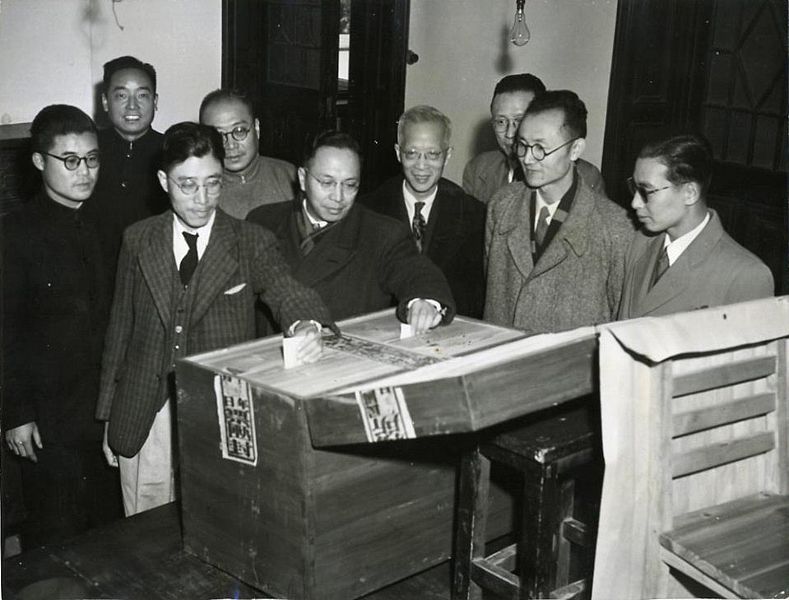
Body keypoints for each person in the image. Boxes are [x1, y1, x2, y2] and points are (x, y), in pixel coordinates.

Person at [96, 122, 331, 516]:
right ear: (163, 181)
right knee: (144, 522)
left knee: (217, 516)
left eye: (213, 183)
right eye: (187, 185)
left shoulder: (250, 241)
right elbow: (120, 330)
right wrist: (108, 414)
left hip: (218, 410)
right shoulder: (138, 238)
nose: (202, 199)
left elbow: (286, 290)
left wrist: (307, 322)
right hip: (144, 411)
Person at [2, 105, 123, 547]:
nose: (84, 171)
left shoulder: (108, 223)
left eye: (92, 158)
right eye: (70, 160)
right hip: (47, 419)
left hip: (104, 410)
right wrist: (16, 414)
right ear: (39, 161)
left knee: (111, 532)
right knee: (56, 538)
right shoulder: (14, 235)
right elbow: (4, 332)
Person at [247, 130, 456, 331]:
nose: (338, 197)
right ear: (302, 178)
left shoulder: (381, 233)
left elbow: (415, 272)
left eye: (350, 185)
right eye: (327, 183)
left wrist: (424, 300)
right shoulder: (263, 222)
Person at [484, 90, 633, 335]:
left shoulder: (615, 226)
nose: (527, 159)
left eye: (540, 148)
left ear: (575, 149)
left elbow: (621, 320)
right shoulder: (501, 205)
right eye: (523, 145)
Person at [618, 133, 774, 318]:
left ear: (690, 193)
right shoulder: (640, 243)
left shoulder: (746, 276)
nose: (635, 203)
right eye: (634, 188)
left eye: (646, 191)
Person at [361, 105, 485, 318]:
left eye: (432, 154)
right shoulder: (368, 211)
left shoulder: (474, 214)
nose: (421, 165)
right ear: (398, 153)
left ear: (447, 155)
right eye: (412, 153)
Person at [84, 56, 169, 284]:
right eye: (121, 96)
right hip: (95, 273)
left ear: (155, 101)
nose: (133, 106)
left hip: (156, 274)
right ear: (105, 102)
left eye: (142, 95)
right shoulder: (87, 151)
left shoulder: (172, 151)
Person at [463, 73, 604, 204]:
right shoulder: (478, 169)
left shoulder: (586, 177)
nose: (510, 134)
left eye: (520, 120)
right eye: (501, 122)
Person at [199, 88, 298, 218]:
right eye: (218, 136)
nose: (231, 145)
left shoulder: (289, 177)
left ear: (257, 128)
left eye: (239, 131)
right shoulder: (198, 190)